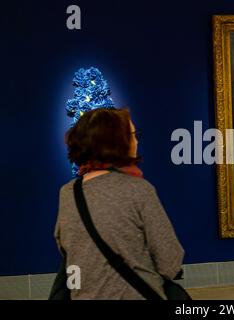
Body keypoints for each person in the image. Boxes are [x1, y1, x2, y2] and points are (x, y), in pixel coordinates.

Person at [54, 108, 184, 299]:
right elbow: (170, 262)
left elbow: (64, 245)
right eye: (132, 135)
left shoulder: (68, 193)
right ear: (116, 142)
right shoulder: (138, 190)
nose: (137, 140)